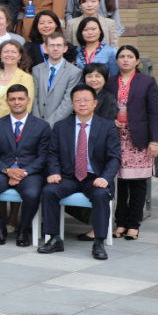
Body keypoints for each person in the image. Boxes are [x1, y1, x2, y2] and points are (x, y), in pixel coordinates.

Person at [39, 85, 120, 260]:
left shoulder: (107, 126)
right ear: (72, 104)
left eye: (86, 100)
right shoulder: (61, 126)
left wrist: (105, 178)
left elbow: (114, 157)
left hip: (94, 177)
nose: (82, 104)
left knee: (101, 194)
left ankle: (98, 242)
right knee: (49, 191)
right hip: (69, 177)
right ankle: (55, 239)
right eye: (78, 100)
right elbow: (52, 154)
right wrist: (53, 172)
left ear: (95, 103)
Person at [0, 84, 51, 247]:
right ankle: (0, 228)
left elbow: (43, 157)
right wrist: (7, 170)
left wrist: (22, 173)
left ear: (28, 100)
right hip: (1, 170)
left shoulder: (42, 126)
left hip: (30, 172)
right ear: (7, 101)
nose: (17, 102)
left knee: (32, 194)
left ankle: (23, 230)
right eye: (12, 99)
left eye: (21, 98)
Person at [107, 46, 158, 241]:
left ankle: (133, 225)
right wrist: (110, 119)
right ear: (117, 61)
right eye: (121, 56)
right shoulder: (110, 82)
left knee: (137, 183)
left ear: (137, 61)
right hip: (117, 138)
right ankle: (120, 222)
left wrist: (154, 141)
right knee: (120, 182)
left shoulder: (147, 81)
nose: (125, 59)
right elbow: (104, 108)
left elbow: (153, 113)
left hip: (138, 140)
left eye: (130, 56)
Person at [32, 32, 80, 125]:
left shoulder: (74, 72)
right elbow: (34, 98)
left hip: (61, 125)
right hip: (38, 123)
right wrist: (38, 124)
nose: (55, 48)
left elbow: (67, 103)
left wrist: (48, 125)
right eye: (52, 45)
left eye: (59, 45)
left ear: (65, 48)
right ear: (45, 48)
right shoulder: (37, 69)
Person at [0, 41, 35, 128]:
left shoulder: (26, 78)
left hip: (14, 128)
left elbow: (27, 107)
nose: (9, 55)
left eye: (14, 52)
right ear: (0, 55)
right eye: (6, 51)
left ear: (20, 56)